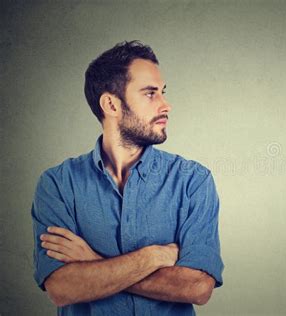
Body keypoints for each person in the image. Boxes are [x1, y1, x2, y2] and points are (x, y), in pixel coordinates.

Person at [31, 40, 224, 315]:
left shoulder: (193, 181)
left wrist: (93, 261)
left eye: (163, 92)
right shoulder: (59, 185)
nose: (166, 105)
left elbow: (196, 288)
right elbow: (63, 289)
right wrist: (155, 256)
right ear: (111, 104)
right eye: (150, 93)